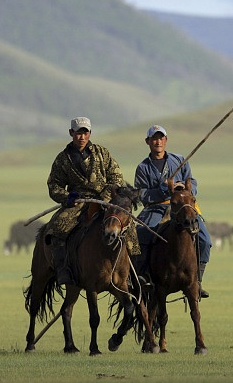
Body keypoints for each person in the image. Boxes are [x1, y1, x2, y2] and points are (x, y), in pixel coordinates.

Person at [46, 116, 135, 284]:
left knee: (128, 227)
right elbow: (53, 185)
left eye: (85, 133)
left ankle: (132, 272)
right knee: (56, 227)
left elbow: (116, 177)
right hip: (77, 203)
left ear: (90, 133)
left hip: (105, 201)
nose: (82, 137)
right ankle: (63, 269)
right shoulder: (63, 158)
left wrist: (106, 196)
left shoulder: (102, 153)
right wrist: (68, 197)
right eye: (78, 133)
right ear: (71, 133)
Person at [134, 124, 212, 298]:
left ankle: (196, 281)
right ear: (148, 141)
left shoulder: (180, 160)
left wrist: (184, 189)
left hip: (183, 206)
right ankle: (144, 275)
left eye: (161, 138)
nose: (158, 141)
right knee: (142, 234)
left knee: (205, 240)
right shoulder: (143, 167)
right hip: (157, 207)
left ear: (166, 140)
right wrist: (165, 189)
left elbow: (192, 181)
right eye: (154, 138)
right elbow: (142, 194)